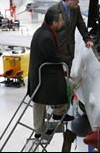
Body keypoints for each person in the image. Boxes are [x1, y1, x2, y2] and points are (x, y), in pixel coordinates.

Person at [27, 9, 74, 139]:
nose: (62, 23)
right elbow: (54, 57)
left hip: (38, 75)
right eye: (61, 20)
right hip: (44, 77)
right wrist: (68, 59)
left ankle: (39, 129)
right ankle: (58, 113)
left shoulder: (42, 31)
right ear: (54, 22)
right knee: (69, 86)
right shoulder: (46, 36)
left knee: (38, 103)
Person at [47, 0, 94, 70]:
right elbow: (47, 32)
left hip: (70, 49)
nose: (78, 2)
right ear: (68, 0)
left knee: (67, 71)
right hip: (57, 50)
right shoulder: (54, 10)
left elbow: (80, 24)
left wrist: (87, 39)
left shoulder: (75, 9)